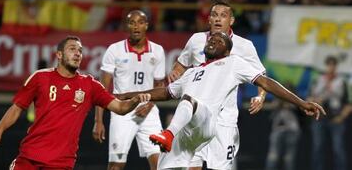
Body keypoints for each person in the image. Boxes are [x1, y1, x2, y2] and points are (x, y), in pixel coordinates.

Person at [118, 32, 325, 170]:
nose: (212, 41)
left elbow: (266, 82)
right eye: (211, 40)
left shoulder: (233, 63)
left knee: (189, 101)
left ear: (227, 50)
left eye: (219, 41)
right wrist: (131, 95)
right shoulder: (192, 73)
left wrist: (301, 102)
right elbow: (165, 93)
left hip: (207, 122)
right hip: (187, 128)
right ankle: (170, 136)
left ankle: (167, 134)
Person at [0, 36, 151, 170]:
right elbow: (16, 108)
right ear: (59, 55)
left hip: (61, 162)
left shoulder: (90, 85)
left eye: (80, 51)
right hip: (29, 157)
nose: (78, 53)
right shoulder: (40, 78)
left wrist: (135, 100)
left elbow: (120, 108)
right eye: (72, 49)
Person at [168, 1, 267, 170]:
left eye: (223, 15)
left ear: (232, 20)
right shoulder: (196, 40)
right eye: (214, 15)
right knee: (192, 166)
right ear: (209, 19)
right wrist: (175, 73)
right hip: (196, 118)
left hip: (224, 120)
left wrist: (260, 96)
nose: (218, 19)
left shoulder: (244, 46)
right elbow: (181, 64)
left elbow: (261, 75)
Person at [92, 10, 166, 170]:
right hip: (122, 111)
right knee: (116, 164)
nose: (136, 26)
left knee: (159, 163)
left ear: (146, 25)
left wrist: (150, 105)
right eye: (132, 22)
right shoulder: (115, 50)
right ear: (127, 26)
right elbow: (102, 89)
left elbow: (160, 85)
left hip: (149, 111)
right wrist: (98, 121)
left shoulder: (158, 50)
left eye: (140, 22)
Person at [308, 56, 350, 170]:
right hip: (319, 116)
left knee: (338, 148)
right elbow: (308, 99)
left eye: (333, 65)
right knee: (317, 148)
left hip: (335, 116)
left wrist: (341, 117)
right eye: (329, 65)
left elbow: (348, 103)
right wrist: (315, 100)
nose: (331, 67)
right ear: (326, 66)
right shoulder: (317, 80)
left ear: (336, 67)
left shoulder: (341, 81)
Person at [264, 83, 301, 170]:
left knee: (289, 157)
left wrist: (291, 105)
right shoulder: (277, 100)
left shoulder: (297, 101)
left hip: (292, 130)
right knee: (273, 156)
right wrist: (279, 103)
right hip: (278, 130)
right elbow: (271, 112)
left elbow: (301, 115)